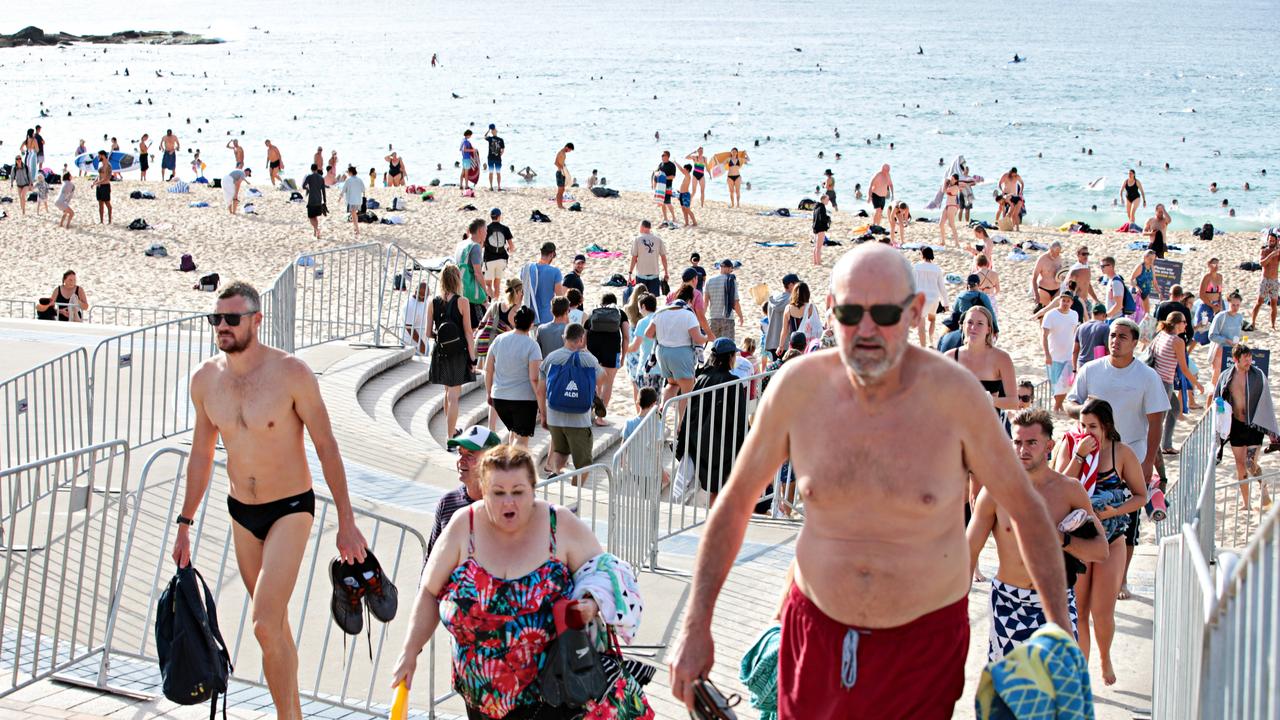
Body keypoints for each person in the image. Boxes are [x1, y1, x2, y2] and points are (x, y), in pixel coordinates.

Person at [669, 245, 1069, 718]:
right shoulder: (798, 389)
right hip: (816, 633)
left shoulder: (956, 398)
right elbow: (733, 505)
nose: (865, 330)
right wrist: (696, 625)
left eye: (882, 313)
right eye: (849, 313)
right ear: (830, 311)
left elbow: (1026, 511)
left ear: (916, 310)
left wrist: (1060, 634)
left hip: (922, 647)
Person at [171, 282, 369, 720]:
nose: (222, 326)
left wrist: (347, 520)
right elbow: (201, 455)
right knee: (274, 627)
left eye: (231, 319)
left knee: (262, 621)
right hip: (242, 512)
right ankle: (293, 713)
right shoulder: (205, 380)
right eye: (216, 318)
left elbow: (327, 447)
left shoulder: (291, 373)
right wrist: (185, 522)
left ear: (256, 321)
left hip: (291, 509)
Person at [392, 445, 627, 720]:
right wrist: (410, 651)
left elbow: (605, 575)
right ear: (482, 489)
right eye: (498, 492)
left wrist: (588, 604)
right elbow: (430, 592)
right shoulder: (462, 526)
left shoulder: (560, 524)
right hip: (478, 695)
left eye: (518, 492)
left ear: (533, 489)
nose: (508, 503)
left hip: (551, 698)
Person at [968, 409, 1109, 661]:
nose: (1023, 450)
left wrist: (1061, 540)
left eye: (1032, 442)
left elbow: (1101, 550)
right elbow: (968, 552)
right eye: (1018, 442)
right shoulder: (995, 492)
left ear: (1049, 445)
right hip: (1009, 603)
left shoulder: (1070, 491)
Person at [1055, 398, 1147, 686]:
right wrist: (1079, 457)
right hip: (1079, 541)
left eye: (1092, 426)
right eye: (1082, 425)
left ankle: (1105, 656)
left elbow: (1141, 496)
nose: (1086, 431)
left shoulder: (1122, 453)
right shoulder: (1071, 445)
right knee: (1079, 610)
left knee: (1102, 611)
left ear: (1106, 427)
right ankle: (1081, 674)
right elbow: (1057, 486)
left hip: (1112, 538)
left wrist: (1115, 511)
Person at [675, 337, 747, 506]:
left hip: (699, 440)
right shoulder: (732, 382)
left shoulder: (702, 378)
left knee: (714, 487)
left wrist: (683, 441)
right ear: (730, 357)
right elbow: (740, 418)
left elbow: (689, 411)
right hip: (722, 443)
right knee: (721, 487)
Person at [1216, 344, 1279, 508]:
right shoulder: (1226, 377)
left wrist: (1272, 430)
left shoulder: (1258, 376)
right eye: (1246, 359)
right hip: (1236, 425)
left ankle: (1262, 485)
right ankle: (1246, 503)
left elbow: (1267, 403)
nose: (1249, 361)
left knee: (1250, 463)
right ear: (1235, 359)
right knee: (1240, 465)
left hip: (1254, 425)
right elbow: (1217, 398)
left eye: (1250, 358)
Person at [425, 426, 502, 560]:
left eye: (470, 454)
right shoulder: (448, 502)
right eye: (460, 453)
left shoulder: (506, 506)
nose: (461, 460)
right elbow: (432, 557)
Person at [541, 324, 601, 473]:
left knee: (560, 452)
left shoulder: (551, 357)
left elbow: (540, 388)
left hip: (554, 415)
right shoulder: (588, 359)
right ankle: (577, 490)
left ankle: (555, 474)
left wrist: (543, 413)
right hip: (579, 419)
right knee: (584, 465)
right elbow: (603, 378)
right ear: (582, 339)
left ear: (564, 337)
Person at [425, 266, 476, 439]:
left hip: (441, 352)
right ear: (457, 280)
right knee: (454, 395)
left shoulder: (433, 302)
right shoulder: (462, 302)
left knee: (447, 392)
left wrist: (442, 339)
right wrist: (473, 357)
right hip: (458, 353)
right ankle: (450, 437)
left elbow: (427, 333)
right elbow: (468, 332)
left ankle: (451, 430)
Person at [485, 307, 544, 448]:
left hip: (500, 398)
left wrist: (489, 393)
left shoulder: (499, 339)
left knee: (514, 431)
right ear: (531, 324)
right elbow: (534, 378)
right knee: (521, 439)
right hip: (523, 400)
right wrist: (541, 403)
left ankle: (510, 463)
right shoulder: (532, 346)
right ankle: (515, 467)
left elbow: (488, 369)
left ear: (514, 321)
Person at [1151, 311, 1203, 455]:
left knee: (1174, 409)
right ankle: (1153, 448)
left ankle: (1166, 446)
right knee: (1158, 420)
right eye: (1184, 322)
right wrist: (1196, 384)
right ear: (1176, 324)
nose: (1186, 325)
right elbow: (1184, 368)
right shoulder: (1177, 341)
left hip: (1156, 380)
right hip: (1165, 382)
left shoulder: (1161, 334)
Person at [647, 289, 707, 407]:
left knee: (672, 384)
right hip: (681, 354)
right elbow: (697, 338)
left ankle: (662, 410)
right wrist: (707, 337)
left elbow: (648, 333)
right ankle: (680, 425)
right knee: (686, 393)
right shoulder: (688, 314)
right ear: (690, 301)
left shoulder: (661, 312)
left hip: (662, 353)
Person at [585, 294, 628, 425]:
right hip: (612, 350)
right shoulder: (620, 313)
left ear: (601, 302)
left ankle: (589, 413)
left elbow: (584, 333)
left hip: (593, 350)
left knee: (595, 383)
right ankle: (600, 417)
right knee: (608, 383)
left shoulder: (594, 311)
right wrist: (623, 357)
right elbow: (626, 336)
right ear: (614, 303)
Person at [1042, 292, 1081, 411]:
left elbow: (1075, 334)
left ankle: (1057, 406)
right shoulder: (1051, 315)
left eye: (1068, 301)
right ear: (1060, 301)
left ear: (1071, 303)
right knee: (1056, 383)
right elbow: (1044, 335)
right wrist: (1047, 354)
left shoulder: (1074, 314)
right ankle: (1057, 406)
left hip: (1069, 355)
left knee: (1067, 383)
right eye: (1063, 300)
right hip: (1054, 355)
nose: (1065, 303)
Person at [625, 294, 663, 402]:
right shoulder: (660, 319)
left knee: (645, 403)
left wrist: (623, 348)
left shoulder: (643, 322)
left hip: (645, 368)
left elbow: (635, 346)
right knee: (656, 402)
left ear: (643, 306)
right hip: (659, 368)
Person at [455, 219, 490, 328]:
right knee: (477, 327)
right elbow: (478, 273)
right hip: (471, 293)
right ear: (480, 230)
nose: (486, 233)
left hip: (458, 288)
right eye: (485, 230)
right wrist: (485, 292)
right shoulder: (475, 247)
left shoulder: (461, 244)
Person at [912, 247, 947, 346]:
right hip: (934, 298)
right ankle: (931, 342)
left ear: (922, 255)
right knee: (932, 320)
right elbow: (942, 287)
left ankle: (923, 346)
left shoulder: (916, 267)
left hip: (921, 299)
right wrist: (945, 303)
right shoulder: (936, 268)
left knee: (921, 325)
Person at [1209, 291, 1245, 387]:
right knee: (1216, 381)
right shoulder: (1221, 316)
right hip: (1220, 351)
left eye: (1238, 305)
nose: (1235, 308)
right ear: (1228, 303)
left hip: (1233, 351)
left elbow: (1237, 334)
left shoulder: (1240, 317)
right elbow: (1212, 335)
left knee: (1230, 380)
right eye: (1233, 305)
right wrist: (1226, 340)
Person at [524, 242, 565, 325]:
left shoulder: (527, 269)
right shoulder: (555, 271)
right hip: (547, 317)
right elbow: (559, 297)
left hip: (530, 316)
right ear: (552, 254)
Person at [762, 273, 801, 360]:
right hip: (785, 342)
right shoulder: (792, 300)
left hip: (772, 340)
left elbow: (769, 318)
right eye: (797, 284)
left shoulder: (773, 299)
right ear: (791, 285)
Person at [703, 259, 744, 342]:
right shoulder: (732, 281)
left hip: (713, 318)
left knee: (715, 346)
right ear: (729, 268)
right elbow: (735, 302)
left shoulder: (709, 281)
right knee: (727, 346)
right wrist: (740, 316)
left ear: (720, 267)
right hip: (727, 319)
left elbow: (705, 302)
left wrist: (702, 317)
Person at [628, 220, 669, 296]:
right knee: (653, 301)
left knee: (640, 299)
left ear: (642, 227)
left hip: (641, 274)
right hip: (654, 274)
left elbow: (634, 258)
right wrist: (666, 272)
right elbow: (663, 258)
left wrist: (630, 273)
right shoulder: (658, 239)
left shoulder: (637, 239)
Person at [1249, 231, 1280, 331]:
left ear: (1276, 241)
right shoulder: (1264, 251)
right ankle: (1253, 322)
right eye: (1270, 240)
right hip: (1265, 280)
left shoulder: (1278, 252)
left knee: (1274, 304)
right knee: (1259, 302)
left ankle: (1273, 325)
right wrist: (1271, 255)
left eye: (1273, 240)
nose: (1271, 242)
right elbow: (1262, 263)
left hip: (1274, 281)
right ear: (1267, 240)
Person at [482, 209, 514, 298]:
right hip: (502, 259)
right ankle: (496, 303)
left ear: (491, 216)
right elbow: (512, 247)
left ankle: (491, 303)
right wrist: (508, 249)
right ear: (499, 216)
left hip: (489, 259)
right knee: (497, 284)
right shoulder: (505, 228)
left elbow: (481, 245)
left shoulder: (486, 228)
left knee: (488, 284)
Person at [938, 174, 974, 247]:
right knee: (941, 224)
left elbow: (944, 190)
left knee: (952, 225)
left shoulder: (955, 187)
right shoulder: (950, 186)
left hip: (952, 206)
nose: (951, 180)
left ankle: (957, 243)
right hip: (947, 205)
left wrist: (945, 181)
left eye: (953, 179)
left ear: (956, 180)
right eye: (951, 179)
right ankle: (943, 241)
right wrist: (946, 182)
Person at [1074, 303, 1111, 371]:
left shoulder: (1080, 327)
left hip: (1082, 366)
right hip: (1097, 366)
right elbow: (1108, 350)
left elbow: (1075, 351)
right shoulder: (1105, 327)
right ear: (1104, 315)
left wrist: (1074, 369)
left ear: (1092, 314)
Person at [1030, 241, 1063, 311]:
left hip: (1057, 289)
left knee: (1056, 312)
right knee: (1043, 313)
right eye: (1056, 252)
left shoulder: (1059, 258)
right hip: (1044, 290)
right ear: (1050, 249)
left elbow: (1061, 272)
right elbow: (1034, 277)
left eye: (1059, 252)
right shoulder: (1042, 259)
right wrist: (1036, 294)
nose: (1057, 254)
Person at [652, 151, 678, 227]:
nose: (662, 156)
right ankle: (665, 218)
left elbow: (673, 176)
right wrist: (654, 185)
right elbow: (656, 174)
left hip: (668, 186)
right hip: (660, 187)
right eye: (662, 155)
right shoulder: (661, 164)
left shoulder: (671, 165)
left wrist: (664, 177)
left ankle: (674, 217)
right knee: (662, 202)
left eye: (664, 155)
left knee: (668, 202)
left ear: (667, 156)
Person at [403, 281, 430, 355]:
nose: (423, 298)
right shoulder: (410, 305)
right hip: (412, 345)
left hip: (424, 342)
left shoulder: (425, 300)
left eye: (426, 296)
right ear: (415, 292)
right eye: (421, 295)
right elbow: (409, 327)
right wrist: (421, 344)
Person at [1128, 250, 1157, 317]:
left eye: (1153, 259)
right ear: (1145, 257)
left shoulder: (1151, 266)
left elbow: (1154, 280)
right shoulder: (1140, 266)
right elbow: (1131, 279)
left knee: (1147, 314)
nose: (1151, 261)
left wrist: (1159, 292)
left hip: (1146, 292)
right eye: (1150, 259)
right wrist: (1136, 287)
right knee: (1138, 314)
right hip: (1138, 294)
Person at [301, 164, 326, 239]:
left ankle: (316, 229)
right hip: (319, 200)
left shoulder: (309, 177)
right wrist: (325, 202)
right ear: (317, 169)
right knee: (315, 217)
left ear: (311, 169)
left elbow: (303, 186)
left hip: (311, 200)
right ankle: (315, 232)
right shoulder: (321, 178)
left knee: (311, 217)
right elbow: (323, 191)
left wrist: (308, 189)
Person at [340, 165, 364, 234]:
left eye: (348, 172)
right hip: (359, 200)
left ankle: (357, 229)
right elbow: (363, 189)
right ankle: (355, 228)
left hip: (351, 201)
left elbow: (343, 190)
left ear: (350, 172)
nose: (347, 173)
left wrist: (340, 198)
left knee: (353, 214)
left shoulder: (348, 180)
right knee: (354, 214)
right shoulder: (359, 179)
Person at [92, 151, 112, 224]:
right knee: (100, 204)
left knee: (107, 203)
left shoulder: (108, 165)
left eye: (99, 156)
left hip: (105, 186)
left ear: (103, 156)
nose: (98, 157)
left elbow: (107, 178)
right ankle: (101, 221)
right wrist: (94, 182)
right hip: (99, 186)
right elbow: (99, 175)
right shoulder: (100, 163)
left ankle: (109, 221)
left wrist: (97, 182)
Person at [811, 193, 831, 266]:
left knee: (816, 246)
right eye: (827, 199)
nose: (828, 201)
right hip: (820, 229)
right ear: (823, 200)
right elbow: (822, 219)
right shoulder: (822, 207)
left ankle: (815, 262)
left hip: (815, 228)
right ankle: (818, 263)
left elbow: (816, 218)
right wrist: (827, 219)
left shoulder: (816, 206)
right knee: (819, 247)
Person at [554, 143, 573, 209]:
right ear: (566, 147)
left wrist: (565, 169)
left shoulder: (563, 153)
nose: (569, 151)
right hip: (559, 173)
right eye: (569, 150)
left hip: (562, 173)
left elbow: (561, 162)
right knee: (560, 190)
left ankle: (560, 205)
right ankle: (559, 205)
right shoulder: (561, 153)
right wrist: (561, 169)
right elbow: (556, 163)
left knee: (562, 190)